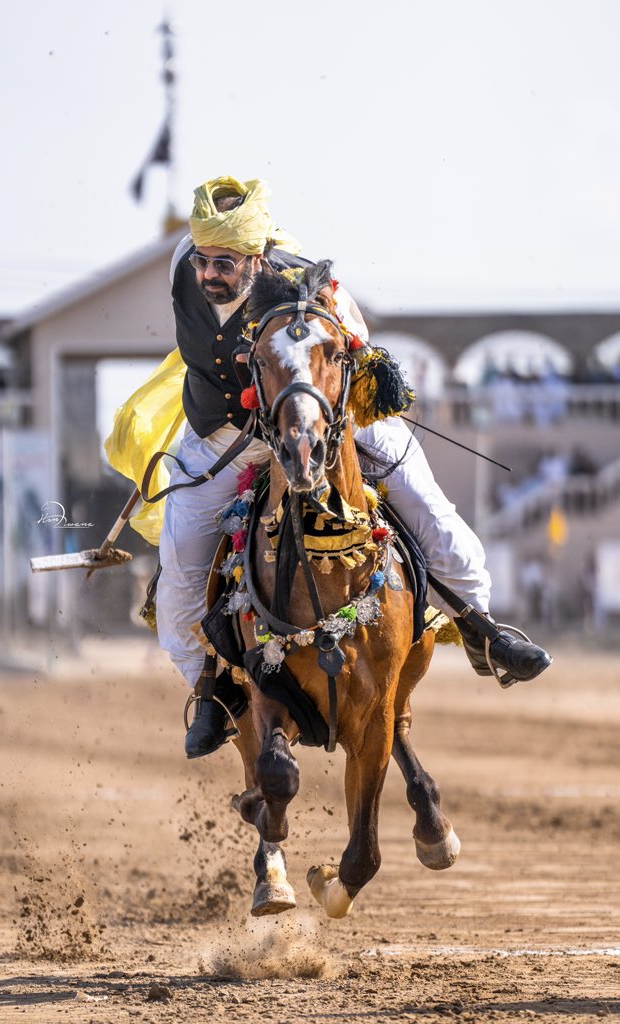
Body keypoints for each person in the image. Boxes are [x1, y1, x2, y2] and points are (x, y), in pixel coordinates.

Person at [153, 175, 551, 758]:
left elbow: (354, 353)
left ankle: (482, 630)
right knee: (179, 575)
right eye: (204, 261)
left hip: (320, 424)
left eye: (226, 262)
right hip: (225, 436)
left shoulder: (312, 283)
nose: (210, 273)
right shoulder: (181, 264)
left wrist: (325, 416)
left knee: (429, 510)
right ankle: (212, 694)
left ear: (258, 258)